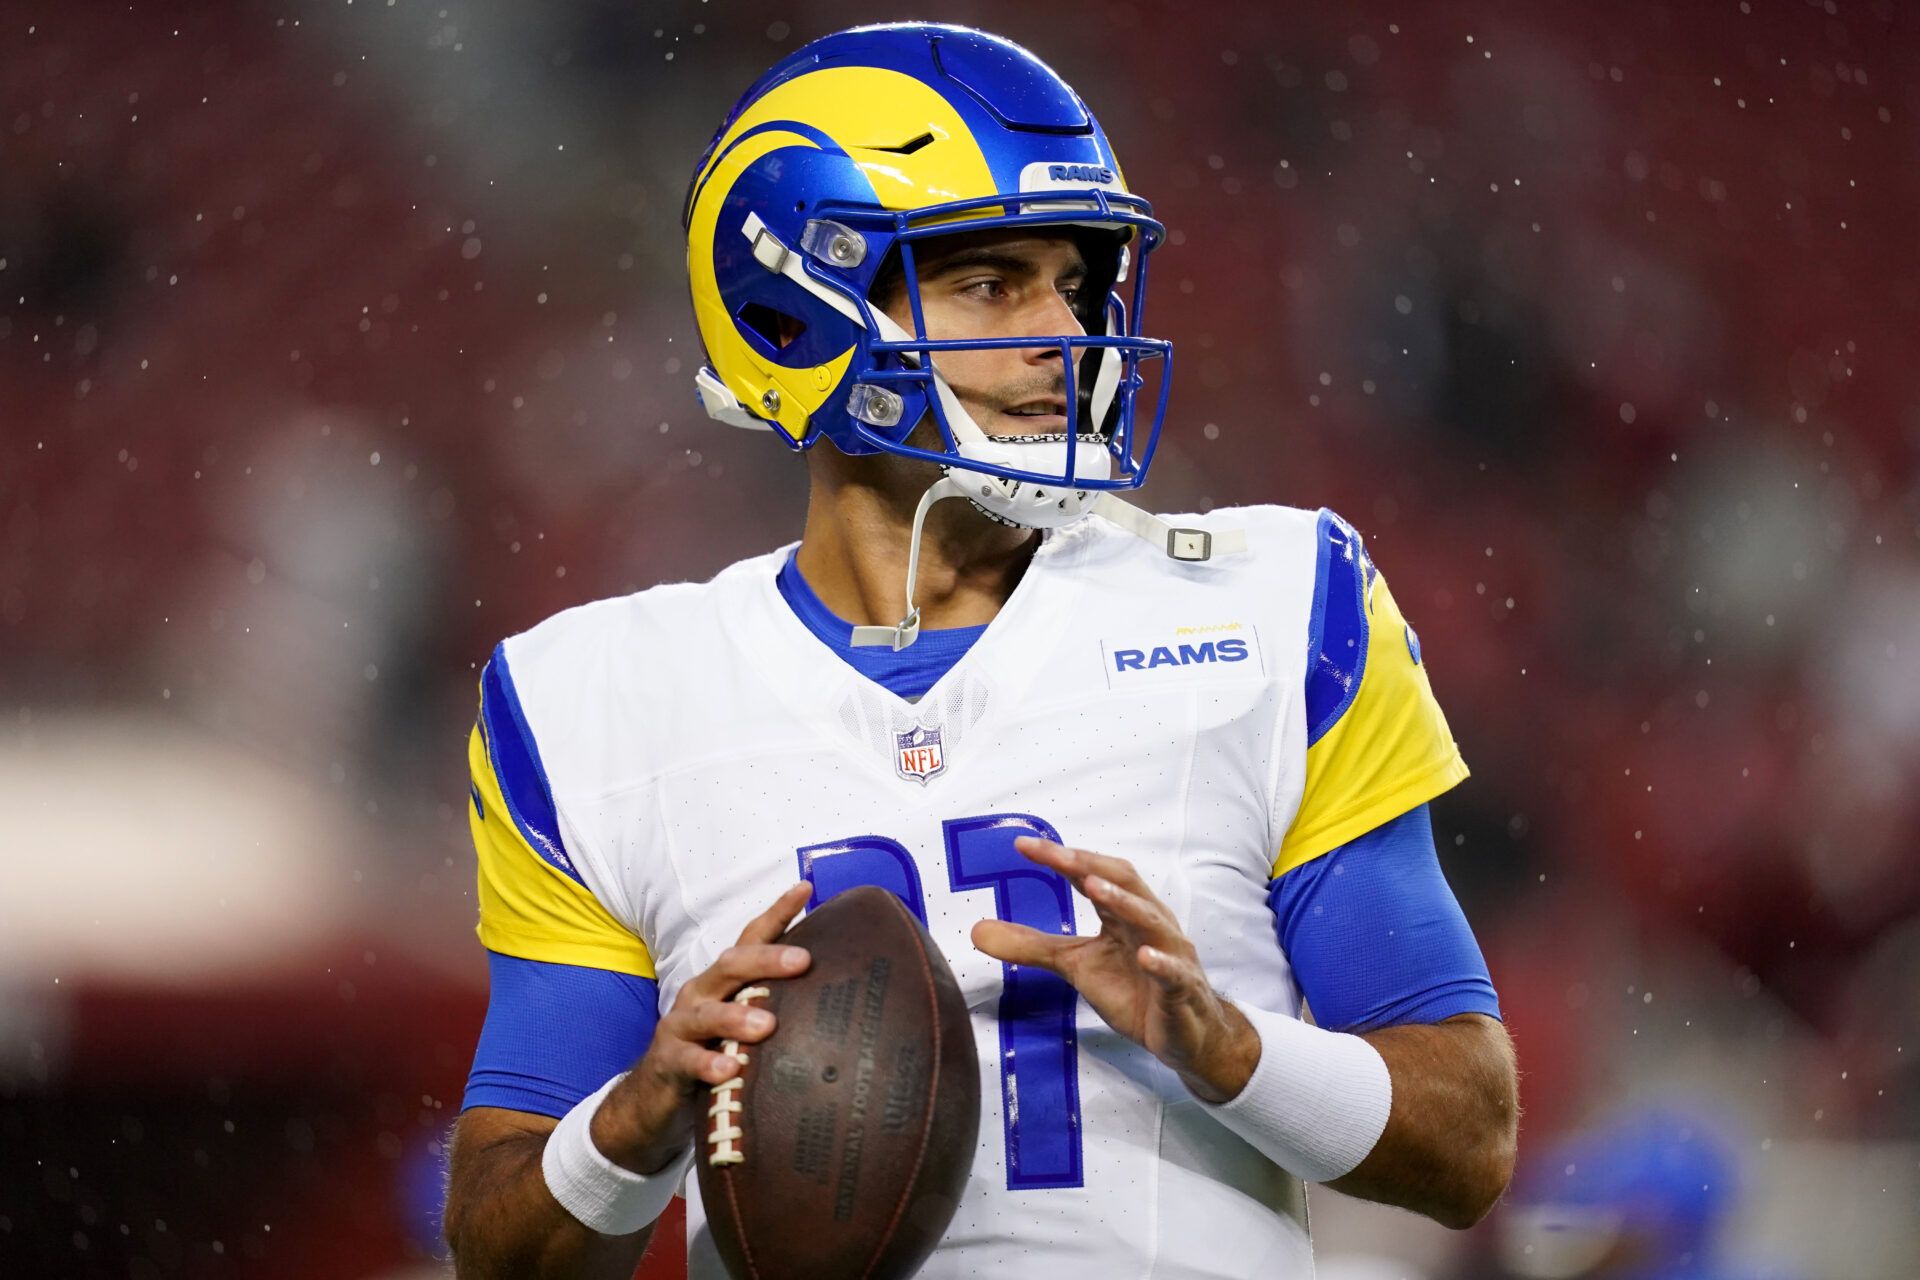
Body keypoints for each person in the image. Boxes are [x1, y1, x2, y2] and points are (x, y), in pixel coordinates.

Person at [442, 22, 1518, 1280]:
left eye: (1077, 283)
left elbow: (1471, 1137)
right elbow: (504, 1252)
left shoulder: (1274, 607)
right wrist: (632, 1120)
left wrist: (1229, 1046)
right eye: (990, 283)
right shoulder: (592, 701)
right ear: (796, 309)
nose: (1063, 333)